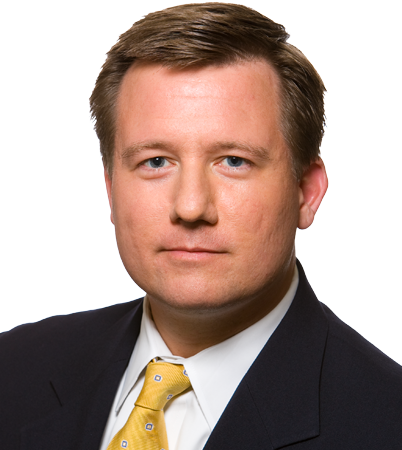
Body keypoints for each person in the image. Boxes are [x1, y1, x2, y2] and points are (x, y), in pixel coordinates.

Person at [1, 3, 401, 449]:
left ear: (306, 192)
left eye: (234, 161)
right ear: (111, 188)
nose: (190, 207)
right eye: (156, 162)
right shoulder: (12, 369)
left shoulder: (387, 423)